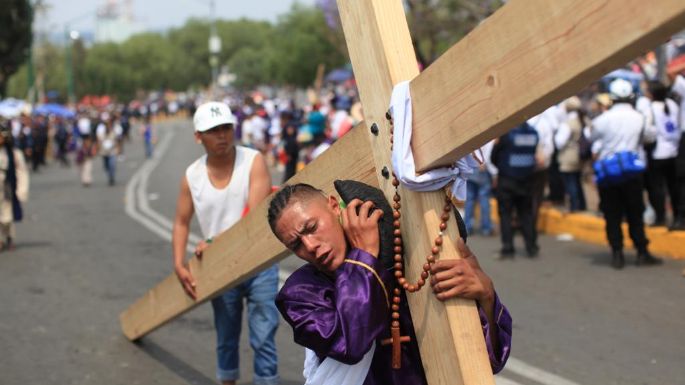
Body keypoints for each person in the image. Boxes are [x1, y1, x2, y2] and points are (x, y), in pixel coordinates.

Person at [268, 184, 511, 385]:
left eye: (312, 228)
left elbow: (488, 363)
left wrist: (486, 297)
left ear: (334, 205)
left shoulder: (410, 261)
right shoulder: (299, 294)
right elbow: (351, 343)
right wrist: (364, 256)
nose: (310, 246)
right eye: (296, 245)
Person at [172, 102, 279, 385]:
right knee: (226, 336)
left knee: (264, 336)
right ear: (198, 136)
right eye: (213, 131)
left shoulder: (253, 161)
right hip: (220, 264)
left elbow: (254, 218)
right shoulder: (192, 176)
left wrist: (215, 241)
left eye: (226, 129)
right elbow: (181, 221)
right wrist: (178, 263)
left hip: (259, 261)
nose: (222, 136)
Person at [587, 78, 662, 269]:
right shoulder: (639, 117)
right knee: (635, 213)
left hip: (608, 173)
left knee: (612, 215)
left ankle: (617, 254)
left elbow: (591, 137)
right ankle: (641, 252)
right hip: (632, 172)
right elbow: (650, 136)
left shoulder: (602, 119)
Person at [491, 121, 540, 258]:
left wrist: (503, 168)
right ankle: (531, 246)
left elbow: (494, 157)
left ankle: (508, 247)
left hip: (507, 180)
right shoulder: (533, 133)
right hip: (527, 181)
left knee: (506, 214)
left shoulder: (506, 134)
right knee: (526, 214)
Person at [642, 81, 680, 227]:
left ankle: (660, 217)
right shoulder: (672, 104)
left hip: (658, 154)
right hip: (673, 151)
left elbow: (647, 132)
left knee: (656, 188)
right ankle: (677, 215)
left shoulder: (650, 108)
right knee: (673, 186)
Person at [0, 123, 29, 251]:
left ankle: (9, 237)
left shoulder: (14, 153)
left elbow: (22, 172)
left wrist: (21, 190)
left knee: (7, 215)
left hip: (7, 186)